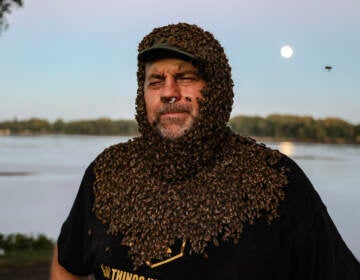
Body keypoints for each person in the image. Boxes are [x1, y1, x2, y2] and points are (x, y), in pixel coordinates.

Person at [51, 23, 360, 280]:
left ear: (218, 90)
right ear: (141, 93)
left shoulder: (277, 184)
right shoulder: (107, 174)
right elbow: (67, 263)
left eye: (186, 77)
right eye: (156, 80)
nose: (170, 92)